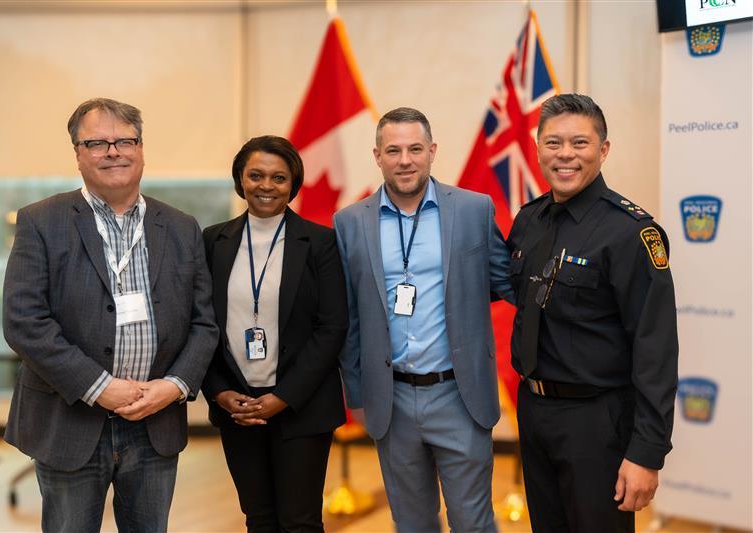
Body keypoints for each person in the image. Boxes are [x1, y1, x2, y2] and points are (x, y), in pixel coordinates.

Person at [2, 97, 219, 532]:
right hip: (71, 422)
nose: (113, 151)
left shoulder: (180, 226)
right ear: (78, 154)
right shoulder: (41, 221)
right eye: (97, 142)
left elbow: (203, 324)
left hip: (154, 422)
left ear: (141, 149)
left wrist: (174, 387)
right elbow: (25, 322)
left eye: (124, 140)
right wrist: (100, 388)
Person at [333, 107, 513, 532]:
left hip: (459, 394)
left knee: (472, 521)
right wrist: (358, 394)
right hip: (390, 399)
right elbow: (349, 317)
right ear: (377, 156)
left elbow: (506, 282)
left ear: (432, 151)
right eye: (393, 150)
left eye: (415, 149)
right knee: (411, 523)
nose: (405, 160)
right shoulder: (350, 222)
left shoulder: (473, 209)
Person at [507, 93, 678, 532]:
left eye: (580, 143)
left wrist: (646, 453)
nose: (566, 155)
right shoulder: (528, 220)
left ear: (603, 150)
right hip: (534, 409)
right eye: (553, 143)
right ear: (538, 148)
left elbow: (655, 352)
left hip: (597, 422)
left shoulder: (630, 233)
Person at [201, 136, 348, 532]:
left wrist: (282, 398)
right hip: (238, 408)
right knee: (258, 518)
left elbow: (332, 327)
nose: (267, 185)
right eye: (256, 175)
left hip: (303, 407)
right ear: (240, 180)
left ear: (293, 184)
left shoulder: (320, 242)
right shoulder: (212, 241)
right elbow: (202, 326)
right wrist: (218, 391)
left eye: (279, 177)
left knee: (299, 521)